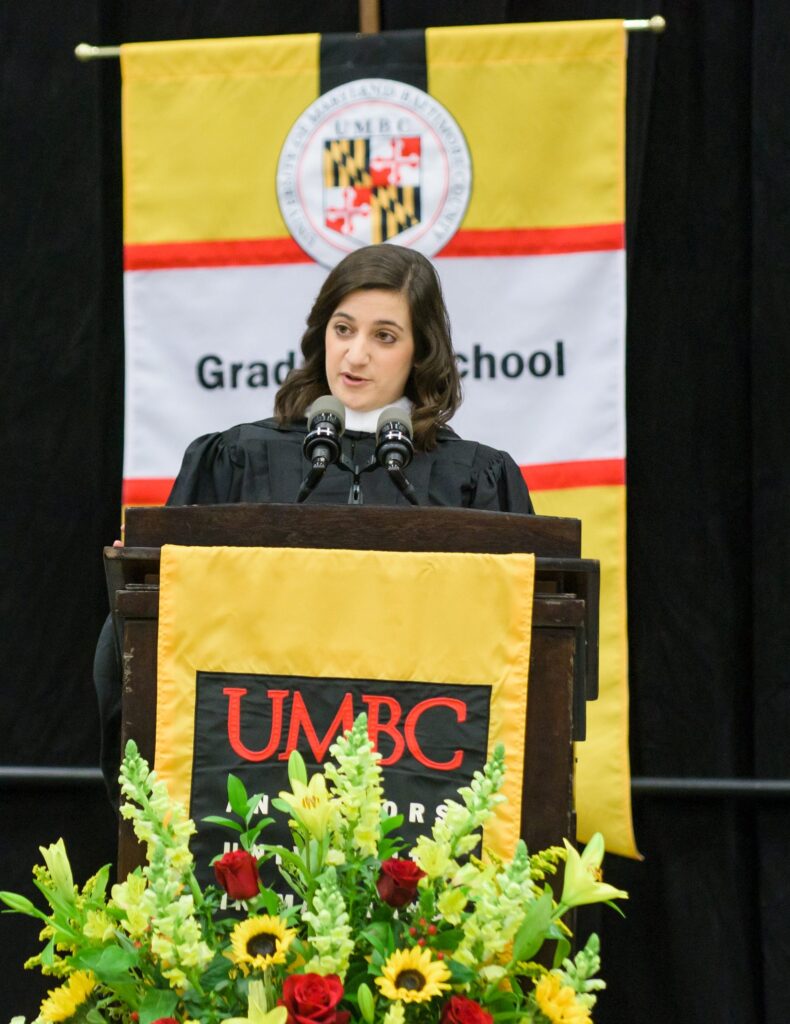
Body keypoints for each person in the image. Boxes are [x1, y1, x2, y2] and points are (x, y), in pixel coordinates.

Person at [94, 244, 533, 802]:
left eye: (384, 336)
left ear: (421, 352)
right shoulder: (239, 458)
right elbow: (150, 638)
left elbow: (522, 646)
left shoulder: (473, 480)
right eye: (343, 328)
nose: (356, 355)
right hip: (253, 768)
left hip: (421, 777)